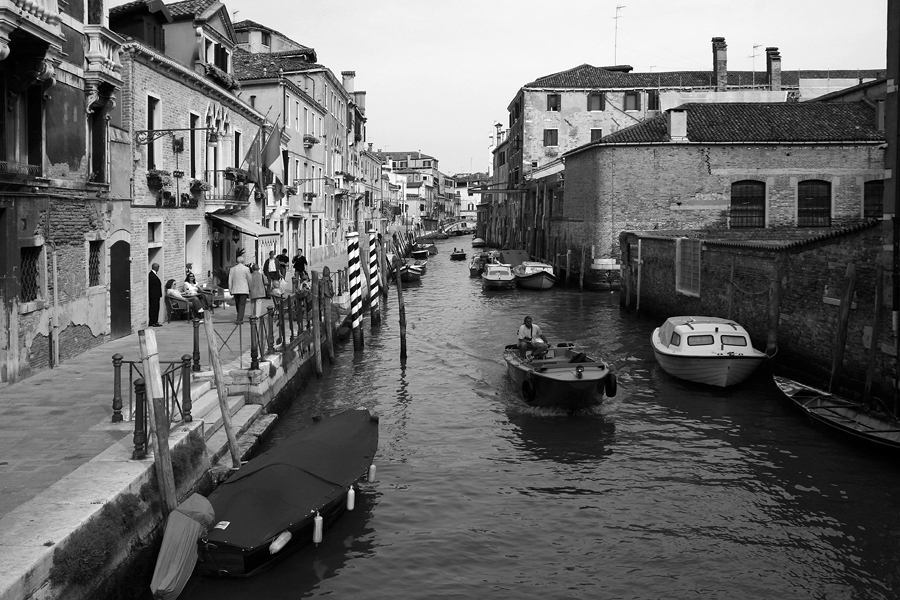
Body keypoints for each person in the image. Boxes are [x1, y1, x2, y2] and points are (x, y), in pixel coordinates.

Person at [228, 255, 252, 323]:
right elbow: (249, 279)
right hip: (243, 289)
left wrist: (230, 288)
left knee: (238, 304)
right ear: (243, 261)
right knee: (241, 304)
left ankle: (239, 316)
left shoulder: (232, 269)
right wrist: (250, 287)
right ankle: (239, 318)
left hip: (235, 289)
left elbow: (230, 280)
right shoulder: (246, 269)